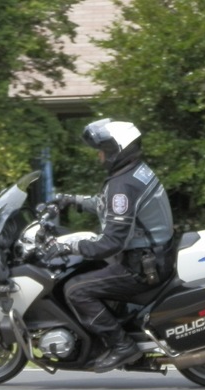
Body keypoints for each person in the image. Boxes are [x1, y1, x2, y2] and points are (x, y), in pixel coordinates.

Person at [43, 118, 175, 373]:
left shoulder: (123, 185)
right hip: (153, 256)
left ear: (117, 150)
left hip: (141, 266)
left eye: (103, 150)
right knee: (88, 271)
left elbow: (112, 242)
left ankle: (121, 345)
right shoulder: (134, 173)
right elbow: (110, 206)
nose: (100, 156)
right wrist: (73, 200)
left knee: (75, 290)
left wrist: (69, 247)